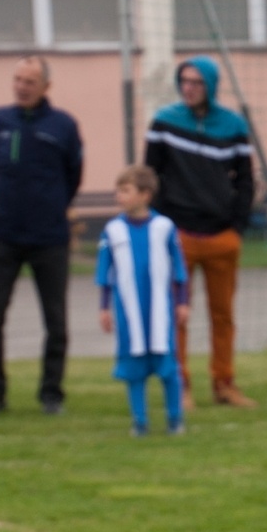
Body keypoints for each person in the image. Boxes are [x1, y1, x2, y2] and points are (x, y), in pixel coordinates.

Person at [0, 56, 84, 417]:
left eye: (30, 82)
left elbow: (73, 175)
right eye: (18, 80)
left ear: (46, 87)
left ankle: (51, 393)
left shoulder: (64, 125)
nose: (22, 87)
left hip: (49, 238)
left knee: (55, 320)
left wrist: (49, 205)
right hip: (4, 234)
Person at [145, 56, 258, 408]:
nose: (189, 88)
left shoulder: (234, 126)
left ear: (210, 85)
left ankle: (224, 384)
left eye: (196, 82)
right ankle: (180, 386)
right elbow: (151, 177)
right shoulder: (164, 122)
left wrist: (236, 228)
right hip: (178, 236)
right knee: (177, 313)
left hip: (222, 237)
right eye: (184, 81)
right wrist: (161, 225)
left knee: (223, 316)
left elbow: (246, 181)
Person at [96, 165, 189, 437]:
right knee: (134, 369)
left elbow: (179, 268)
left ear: (145, 194)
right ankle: (140, 421)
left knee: (168, 367)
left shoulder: (164, 227)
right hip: (129, 314)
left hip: (161, 313)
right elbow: (105, 273)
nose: (119, 196)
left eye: (126, 190)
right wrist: (104, 307)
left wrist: (182, 301)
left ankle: (175, 419)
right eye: (118, 190)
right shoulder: (112, 231)